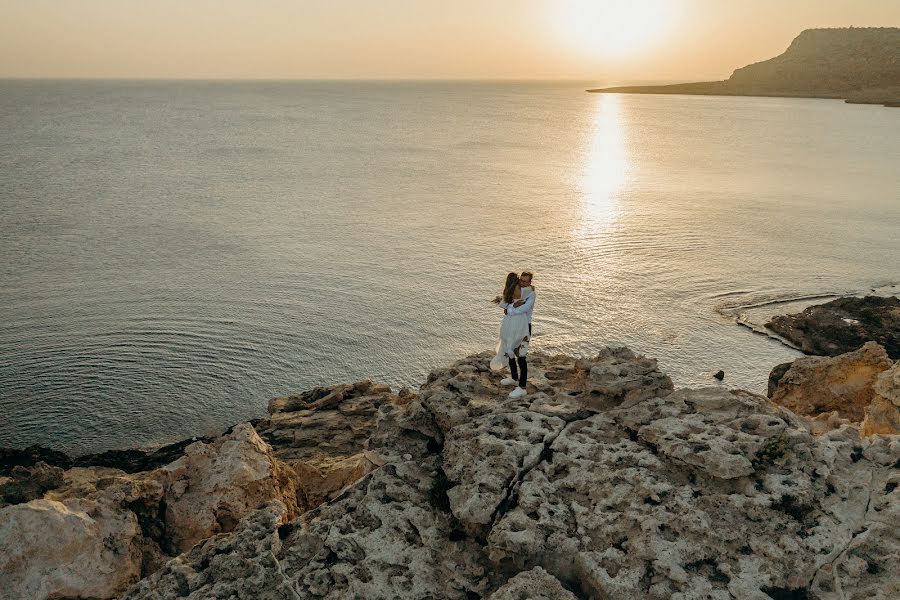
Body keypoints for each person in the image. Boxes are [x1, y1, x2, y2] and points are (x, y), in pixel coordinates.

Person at [490, 271, 535, 399]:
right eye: (521, 280)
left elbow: (524, 309)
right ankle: (514, 377)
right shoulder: (518, 290)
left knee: (520, 355)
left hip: (524, 327)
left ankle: (522, 387)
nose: (522, 283)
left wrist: (509, 309)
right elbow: (506, 304)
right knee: (509, 350)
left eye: (525, 281)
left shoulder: (531, 293)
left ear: (530, 282)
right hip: (511, 325)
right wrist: (510, 305)